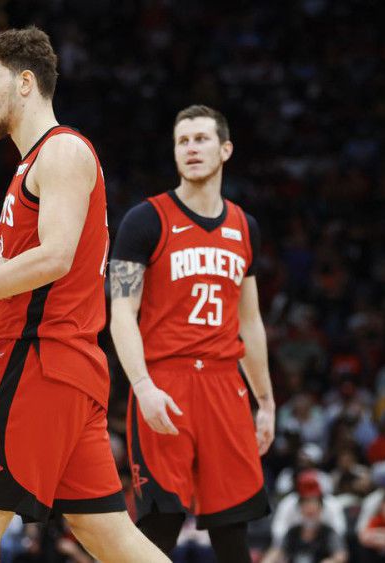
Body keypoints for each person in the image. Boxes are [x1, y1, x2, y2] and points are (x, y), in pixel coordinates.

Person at [0, 27, 168, 563]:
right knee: (110, 537)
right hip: (67, 365)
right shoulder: (27, 168)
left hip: (38, 356)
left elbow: (55, 256)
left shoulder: (62, 150)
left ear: (24, 82)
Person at [108, 104, 274, 562]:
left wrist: (266, 400)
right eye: (182, 141)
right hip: (166, 381)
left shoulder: (245, 227)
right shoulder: (145, 219)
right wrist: (141, 386)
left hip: (226, 385)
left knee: (232, 530)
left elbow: (250, 321)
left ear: (225, 149)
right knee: (160, 522)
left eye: (201, 139)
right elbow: (121, 310)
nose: (191, 149)